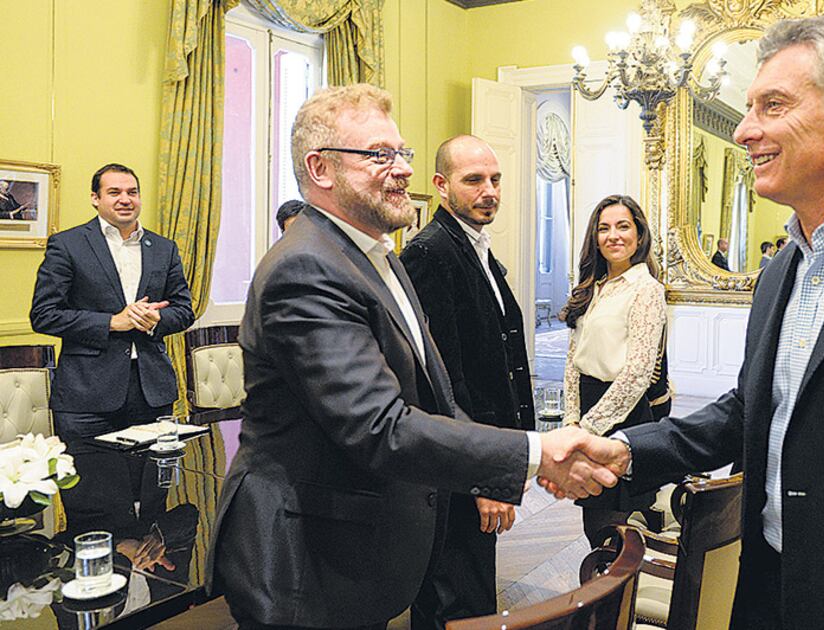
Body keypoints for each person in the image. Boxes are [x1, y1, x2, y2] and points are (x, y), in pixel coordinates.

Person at [543, 16, 824, 629]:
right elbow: (749, 411)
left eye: (773, 105)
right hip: (768, 589)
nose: (744, 128)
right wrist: (624, 448)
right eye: (749, 105)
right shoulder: (784, 267)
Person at [206, 84, 629, 630]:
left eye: (401, 153)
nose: (401, 169)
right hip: (303, 557)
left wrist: (515, 462)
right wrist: (536, 453)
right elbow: (380, 426)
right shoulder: (305, 269)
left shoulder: (378, 256)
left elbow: (434, 395)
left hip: (359, 544)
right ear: (321, 168)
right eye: (380, 155)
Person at [400, 135, 535, 628]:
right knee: (454, 600)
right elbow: (442, 383)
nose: (489, 191)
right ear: (441, 185)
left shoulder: (478, 249)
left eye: (495, 179)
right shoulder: (431, 254)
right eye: (473, 180)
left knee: (474, 585)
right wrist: (480, 475)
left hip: (484, 448)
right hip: (458, 460)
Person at [30, 163, 195, 522]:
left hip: (150, 392)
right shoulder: (69, 245)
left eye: (132, 192)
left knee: (150, 502)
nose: (125, 200)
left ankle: (148, 569)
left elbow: (184, 310)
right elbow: (43, 314)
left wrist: (157, 320)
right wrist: (112, 322)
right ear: (95, 198)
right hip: (87, 397)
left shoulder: (163, 249)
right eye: (114, 192)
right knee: (92, 506)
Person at [559, 194, 670, 545]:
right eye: (604, 228)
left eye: (623, 226)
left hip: (623, 418)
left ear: (639, 235)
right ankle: (605, 597)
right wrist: (571, 422)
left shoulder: (646, 290)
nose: (614, 236)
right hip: (589, 411)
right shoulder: (592, 287)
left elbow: (637, 374)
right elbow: (573, 362)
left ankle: (615, 599)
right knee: (592, 519)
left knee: (611, 531)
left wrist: (587, 430)